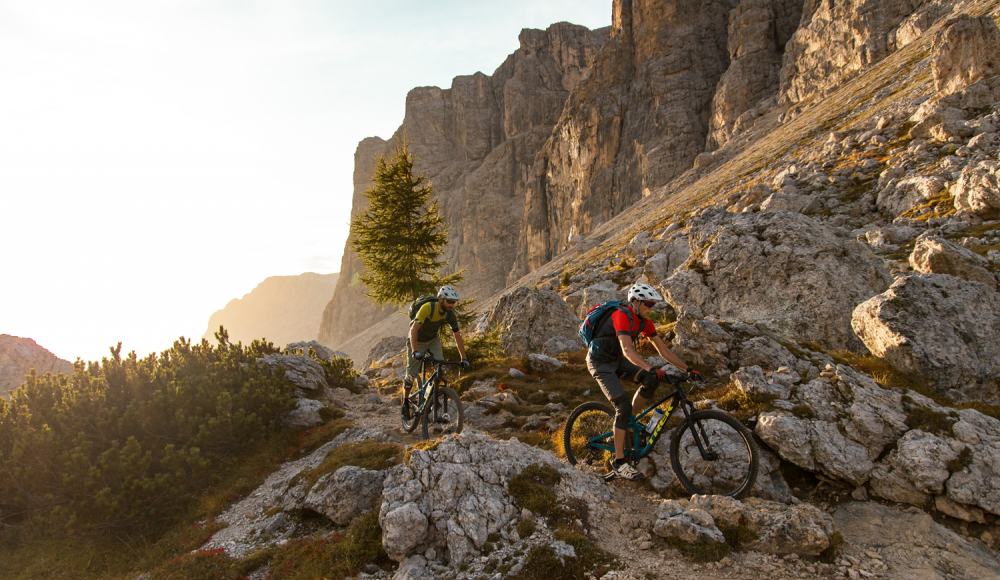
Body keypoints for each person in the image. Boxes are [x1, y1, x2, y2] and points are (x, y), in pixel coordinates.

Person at [587, 282, 702, 481]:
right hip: (600, 363)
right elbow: (627, 350)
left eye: (653, 304)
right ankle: (619, 464)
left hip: (617, 361)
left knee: (650, 381)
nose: (652, 308)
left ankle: (627, 422)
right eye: (648, 304)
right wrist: (649, 367)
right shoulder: (621, 315)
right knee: (622, 406)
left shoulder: (644, 322)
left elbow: (663, 351)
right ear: (635, 302)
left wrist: (688, 369)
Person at [403, 285, 469, 419]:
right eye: (449, 301)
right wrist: (415, 351)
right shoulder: (428, 308)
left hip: (433, 340)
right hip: (417, 340)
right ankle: (405, 402)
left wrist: (464, 358)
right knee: (412, 375)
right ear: (440, 299)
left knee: (440, 367)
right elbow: (414, 330)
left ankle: (432, 395)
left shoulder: (450, 314)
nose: (451, 305)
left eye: (453, 302)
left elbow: (457, 336)